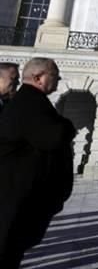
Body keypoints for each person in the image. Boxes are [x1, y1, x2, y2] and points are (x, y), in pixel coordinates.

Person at [0, 58, 76, 268]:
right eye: (55, 76)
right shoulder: (29, 101)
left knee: (11, 250)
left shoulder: (31, 100)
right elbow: (53, 136)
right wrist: (68, 126)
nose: (58, 81)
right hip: (14, 194)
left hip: (19, 192)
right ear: (38, 78)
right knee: (7, 251)